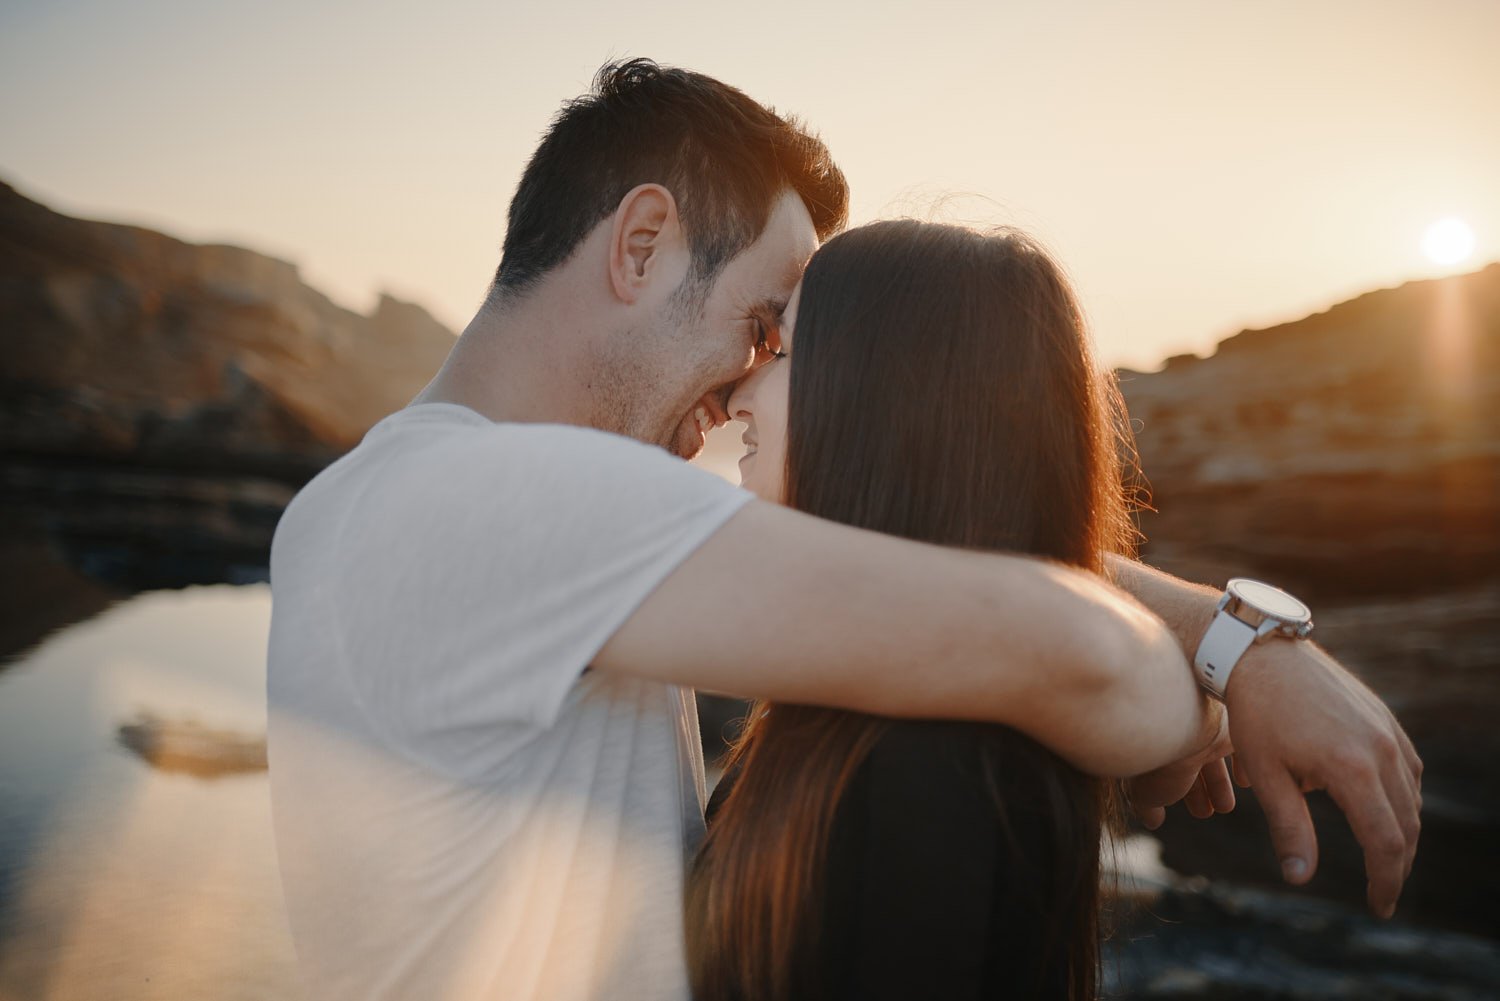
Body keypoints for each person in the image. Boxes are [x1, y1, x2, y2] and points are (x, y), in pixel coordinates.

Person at [266, 59, 1421, 1001]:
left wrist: (1242, 639)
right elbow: (1076, 651)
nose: (744, 391)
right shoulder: (499, 505)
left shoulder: (428, 503)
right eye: (760, 323)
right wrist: (1196, 696)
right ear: (640, 246)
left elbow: (887, 530)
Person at [687, 219, 1184, 1000]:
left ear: (887, 396)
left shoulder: (924, 759)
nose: (739, 391)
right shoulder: (874, 703)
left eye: (783, 352)